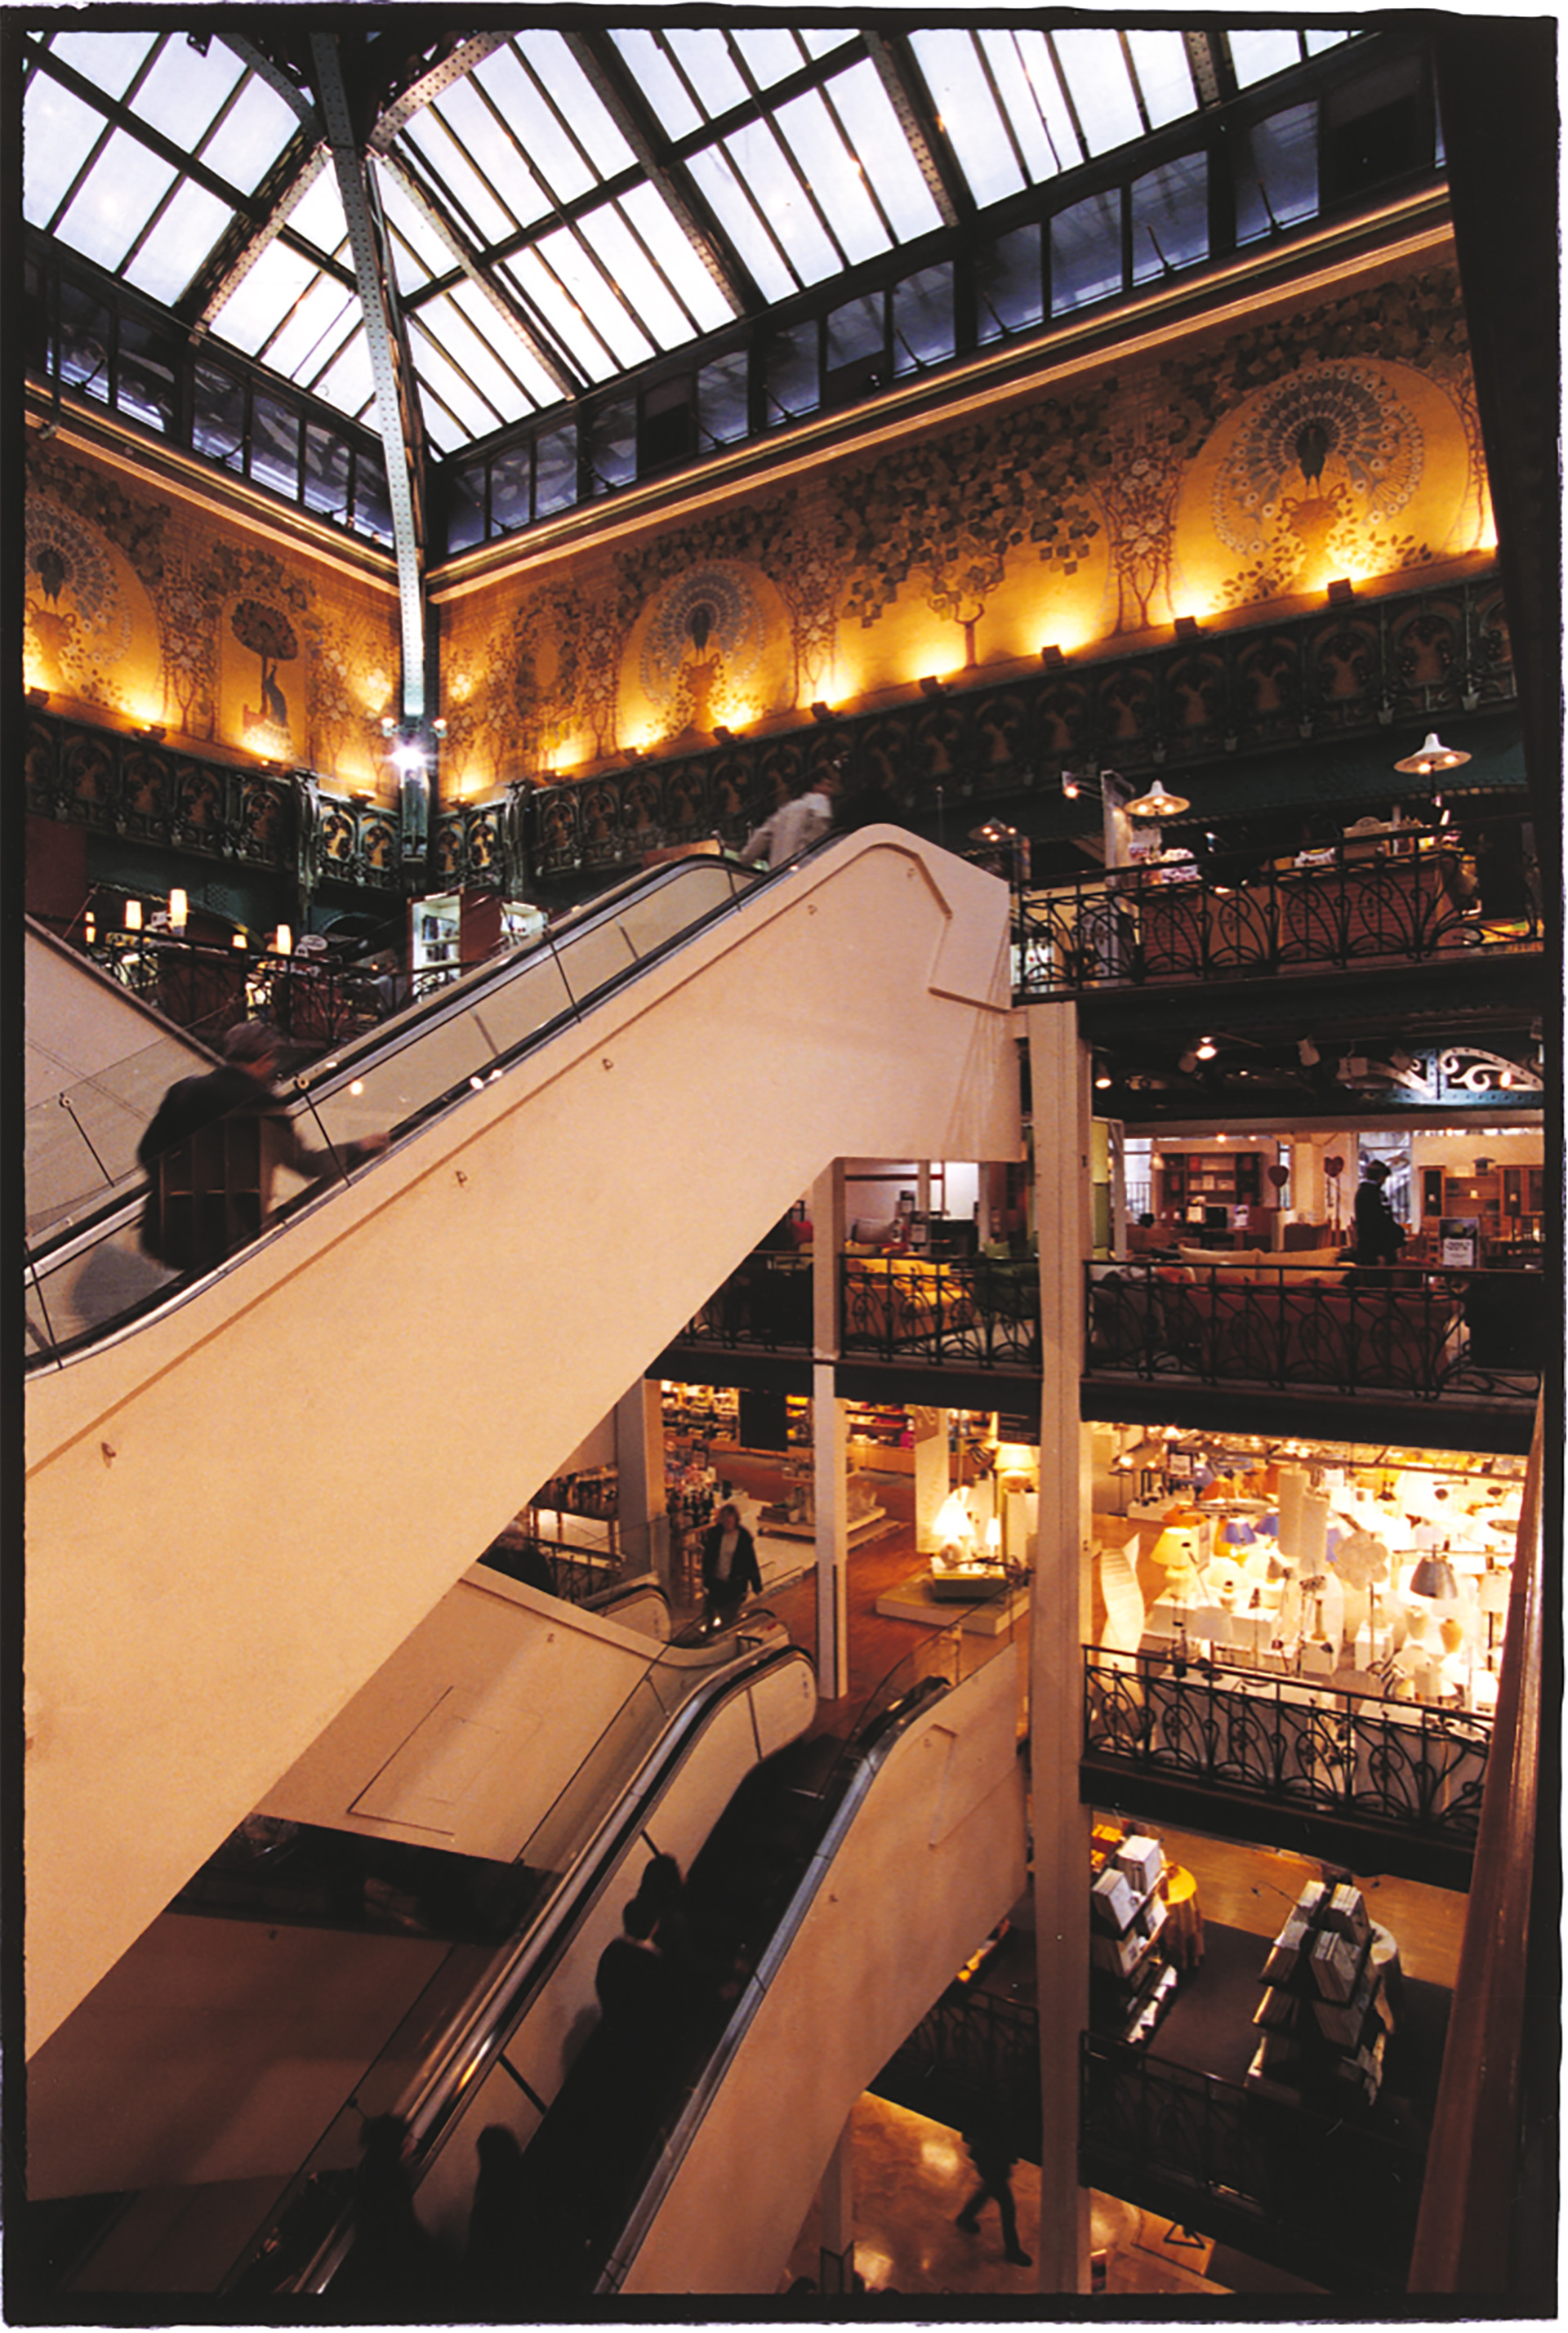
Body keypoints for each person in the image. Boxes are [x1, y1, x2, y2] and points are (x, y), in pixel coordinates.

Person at [137, 1019, 387, 1271]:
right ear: (264, 1059)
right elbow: (307, 1164)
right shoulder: (263, 1105)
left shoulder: (184, 1091)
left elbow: (147, 1152)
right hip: (230, 1236)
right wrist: (360, 1146)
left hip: (167, 1229)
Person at [955, 2115, 1031, 2266]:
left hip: (989, 2161)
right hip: (992, 2162)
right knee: (1007, 2207)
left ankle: (966, 2217)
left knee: (989, 2189)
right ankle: (1012, 2249)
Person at [738, 766, 840, 867]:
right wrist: (812, 845)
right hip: (804, 863)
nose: (831, 790)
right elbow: (822, 817)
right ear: (816, 786)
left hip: (779, 871)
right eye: (828, 785)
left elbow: (761, 835)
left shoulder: (785, 810)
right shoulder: (818, 799)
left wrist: (745, 859)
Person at [700, 1501, 762, 1631]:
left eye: (730, 1519)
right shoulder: (715, 1535)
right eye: (725, 1519)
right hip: (716, 1583)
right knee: (709, 1617)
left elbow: (750, 1562)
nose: (727, 1522)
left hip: (734, 1585)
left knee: (729, 1620)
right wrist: (705, 1579)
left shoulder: (743, 1538)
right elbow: (708, 1558)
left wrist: (756, 1585)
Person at [1353, 1158, 1405, 1267]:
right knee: (1379, 1280)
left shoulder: (1365, 1192)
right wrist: (1398, 1233)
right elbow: (1379, 1220)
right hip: (1376, 1245)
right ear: (1381, 1177)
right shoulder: (1371, 1193)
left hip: (1370, 1243)